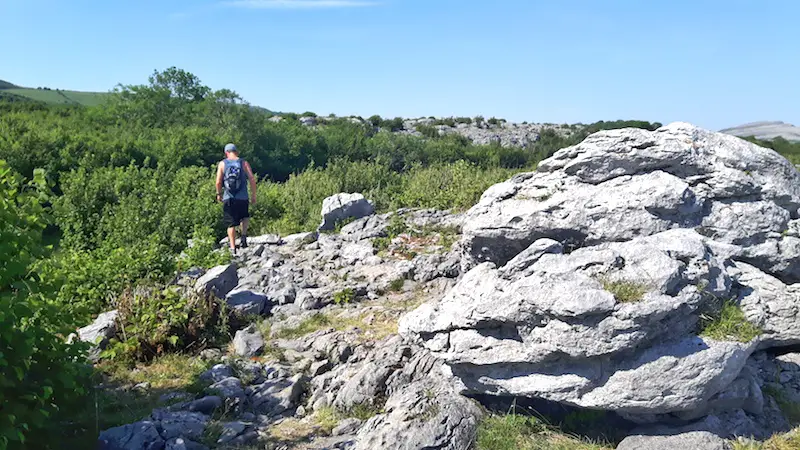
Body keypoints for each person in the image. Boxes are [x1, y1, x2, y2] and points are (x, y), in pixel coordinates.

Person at [216, 143, 257, 254]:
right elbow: (252, 179)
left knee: (231, 223)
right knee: (245, 216)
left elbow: (218, 181)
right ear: (236, 152)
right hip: (243, 197)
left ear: (226, 153)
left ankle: (233, 248)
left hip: (229, 197)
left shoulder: (222, 164)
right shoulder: (243, 163)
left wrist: (219, 193)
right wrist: (253, 195)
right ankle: (243, 237)